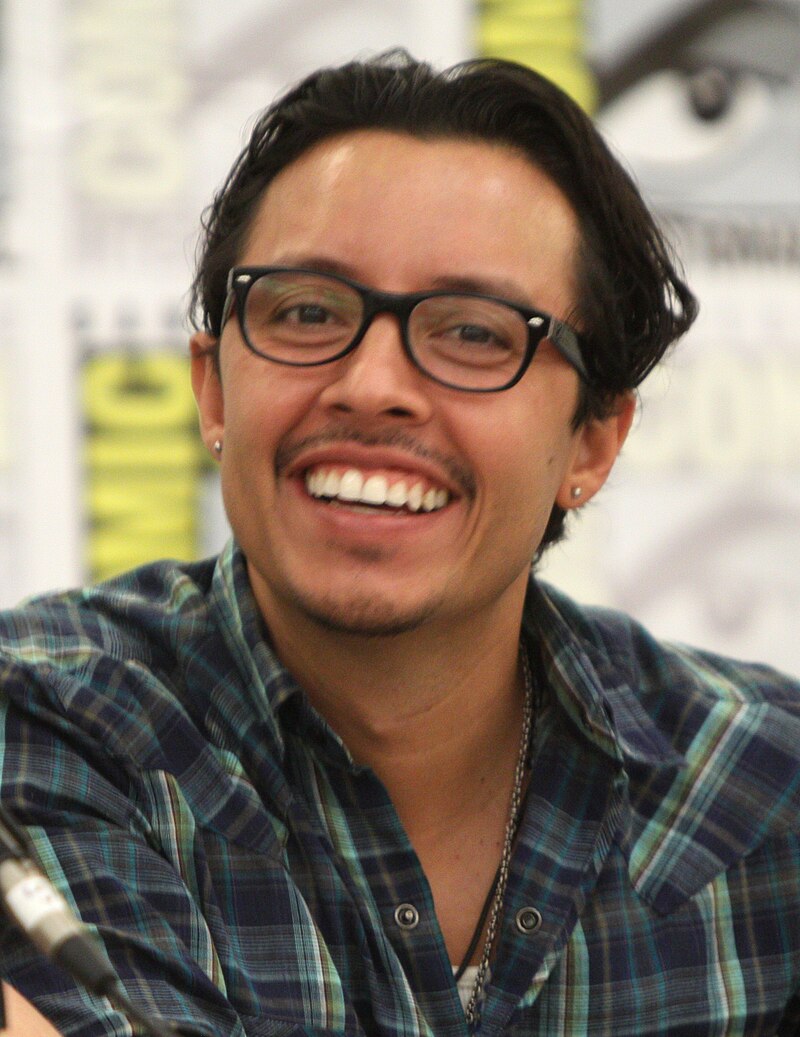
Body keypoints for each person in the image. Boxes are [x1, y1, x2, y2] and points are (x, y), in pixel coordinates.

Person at [0, 50, 798, 1037]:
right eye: (306, 312)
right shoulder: (44, 724)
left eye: (474, 333)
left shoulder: (764, 785)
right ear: (213, 390)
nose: (372, 385)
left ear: (592, 442)